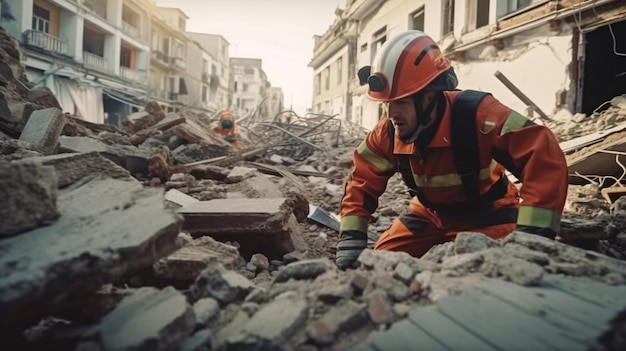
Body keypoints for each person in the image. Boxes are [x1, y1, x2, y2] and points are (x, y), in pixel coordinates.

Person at [335, 30, 568, 270]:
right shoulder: (389, 131)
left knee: (501, 270)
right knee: (378, 265)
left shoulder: (479, 116)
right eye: (387, 105)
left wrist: (534, 236)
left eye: (401, 103)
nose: (392, 114)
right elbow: (361, 181)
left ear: (429, 96)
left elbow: (542, 157)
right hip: (429, 215)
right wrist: (351, 238)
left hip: (489, 214)